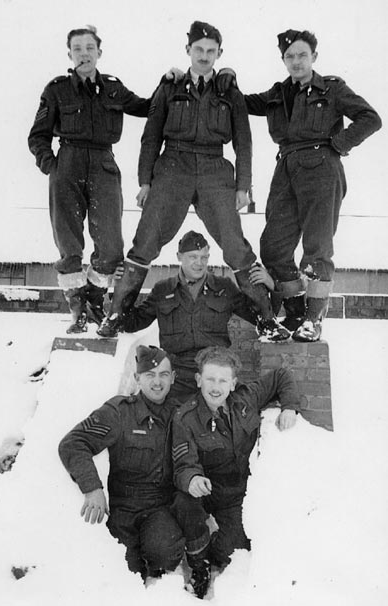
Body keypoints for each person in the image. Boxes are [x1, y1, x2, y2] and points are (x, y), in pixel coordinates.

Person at [97, 21, 290, 343]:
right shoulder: (170, 87)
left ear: (219, 54)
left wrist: (244, 185)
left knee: (234, 245)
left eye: (210, 51)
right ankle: (115, 315)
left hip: (215, 167)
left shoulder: (229, 90)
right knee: (145, 241)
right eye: (198, 50)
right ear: (188, 51)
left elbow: (243, 140)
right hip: (173, 165)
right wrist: (145, 181)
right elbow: (151, 136)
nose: (204, 56)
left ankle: (266, 319)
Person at [28, 26, 185, 333]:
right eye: (77, 49)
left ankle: (94, 299)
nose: (84, 54)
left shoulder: (113, 88)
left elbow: (146, 107)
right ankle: (79, 311)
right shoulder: (56, 89)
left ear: (99, 52)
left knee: (111, 245)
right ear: (70, 54)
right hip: (68, 165)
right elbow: (38, 135)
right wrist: (53, 168)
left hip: (103, 164)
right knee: (69, 243)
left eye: (89, 48)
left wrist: (165, 83)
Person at [244, 29, 382, 342]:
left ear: (314, 57)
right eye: (289, 56)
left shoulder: (331, 88)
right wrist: (222, 77)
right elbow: (245, 102)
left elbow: (370, 118)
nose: (296, 61)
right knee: (274, 246)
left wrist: (338, 144)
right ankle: (295, 310)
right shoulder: (279, 93)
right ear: (283, 60)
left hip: (322, 168)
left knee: (317, 249)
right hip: (286, 169)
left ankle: (312, 319)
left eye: (302, 55)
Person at [171, 346, 299, 598]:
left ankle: (215, 546)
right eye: (210, 379)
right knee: (182, 501)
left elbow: (282, 375)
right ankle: (198, 565)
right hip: (206, 494)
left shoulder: (245, 399)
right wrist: (193, 478)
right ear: (199, 380)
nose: (215, 387)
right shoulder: (185, 417)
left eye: (222, 380)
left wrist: (289, 407)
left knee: (235, 550)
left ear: (233, 384)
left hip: (237, 497)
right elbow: (183, 463)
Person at [58, 345, 184, 581]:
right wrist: (92, 488)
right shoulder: (118, 412)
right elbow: (73, 443)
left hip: (160, 507)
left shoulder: (180, 414)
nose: (157, 382)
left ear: (173, 377)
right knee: (120, 572)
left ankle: (158, 579)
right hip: (123, 508)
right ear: (137, 378)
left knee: (164, 552)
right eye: (149, 375)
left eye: (163, 375)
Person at [121, 230, 276, 401]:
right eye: (193, 257)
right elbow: (132, 323)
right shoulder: (163, 290)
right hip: (178, 377)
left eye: (204, 257)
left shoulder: (224, 287)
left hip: (215, 371)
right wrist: (120, 286)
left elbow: (260, 318)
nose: (199, 263)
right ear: (179, 256)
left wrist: (271, 285)